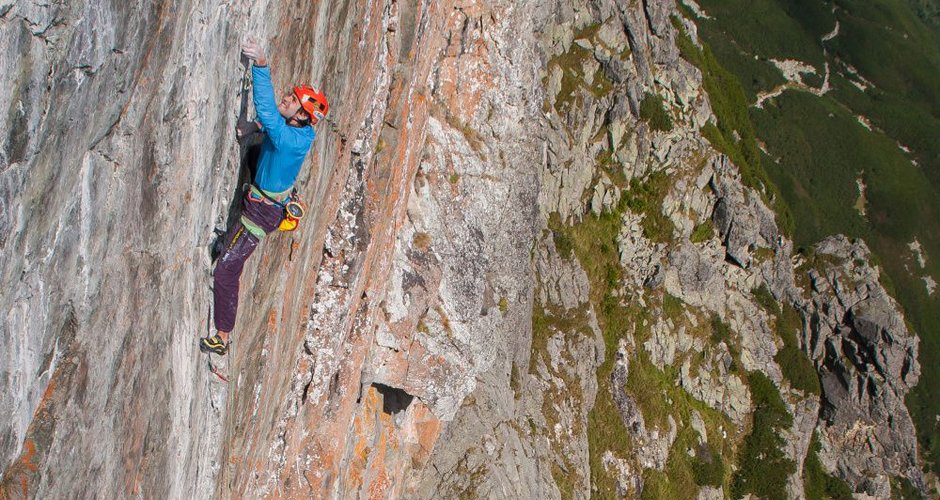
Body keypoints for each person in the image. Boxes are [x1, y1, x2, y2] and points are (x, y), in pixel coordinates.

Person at [200, 39, 329, 355]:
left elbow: (270, 113)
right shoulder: (299, 132)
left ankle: (223, 337)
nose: (286, 98)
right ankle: (228, 238)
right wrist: (252, 128)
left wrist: (261, 64)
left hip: (261, 213)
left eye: (292, 99)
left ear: (300, 114)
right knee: (259, 147)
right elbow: (271, 122)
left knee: (228, 268)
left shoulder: (289, 138)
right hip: (268, 193)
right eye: (289, 95)